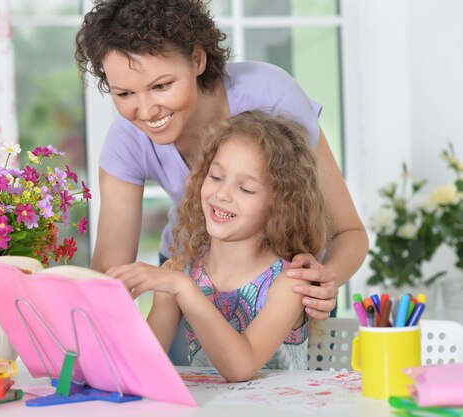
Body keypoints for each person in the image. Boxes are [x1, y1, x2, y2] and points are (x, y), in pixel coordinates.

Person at [75, 0, 368, 361]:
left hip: (284, 277)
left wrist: (325, 280)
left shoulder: (270, 95)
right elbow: (110, 271)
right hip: (193, 264)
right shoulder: (127, 140)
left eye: (162, 85)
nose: (147, 110)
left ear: (198, 59)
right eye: (124, 94)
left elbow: (349, 233)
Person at [107, 110, 327, 380]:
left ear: (279, 206)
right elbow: (137, 369)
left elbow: (241, 367)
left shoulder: (289, 282)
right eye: (216, 177)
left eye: (245, 188)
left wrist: (182, 288)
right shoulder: (181, 272)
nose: (222, 194)